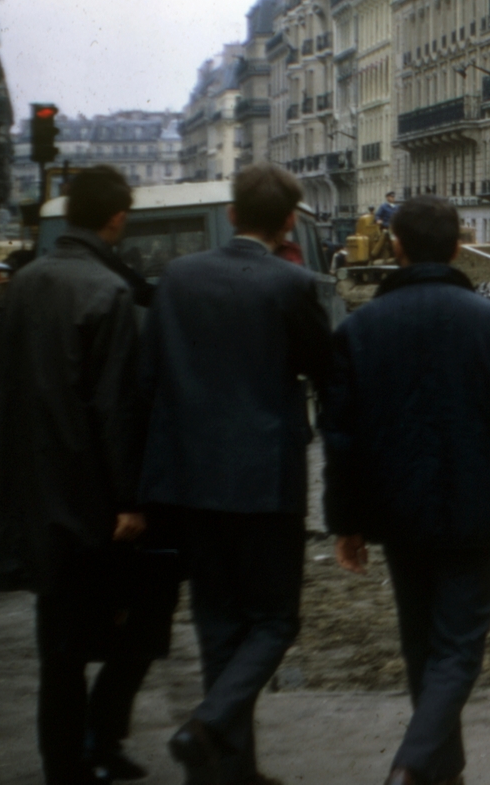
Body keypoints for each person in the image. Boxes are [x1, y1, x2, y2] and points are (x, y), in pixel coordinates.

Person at [323, 197, 490, 785]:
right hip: (477, 505)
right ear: (458, 246)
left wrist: (344, 520)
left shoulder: (359, 328)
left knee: (421, 641)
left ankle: (440, 768)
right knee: (458, 646)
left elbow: (341, 436)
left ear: (396, 248)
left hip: (396, 507)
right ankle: (414, 765)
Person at [137, 163, 332, 785]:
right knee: (274, 620)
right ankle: (208, 725)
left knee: (217, 624)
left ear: (230, 215)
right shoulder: (292, 284)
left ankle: (227, 772)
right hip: (265, 482)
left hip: (190, 481)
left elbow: (149, 378)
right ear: (288, 222)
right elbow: (322, 368)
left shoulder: (177, 277)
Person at [0, 167, 174, 785]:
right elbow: (114, 405)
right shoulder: (108, 291)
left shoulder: (25, 285)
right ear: (117, 218)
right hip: (92, 496)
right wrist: (128, 500)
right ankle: (87, 750)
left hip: (35, 489)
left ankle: (69, 758)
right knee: (137, 620)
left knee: (58, 647)